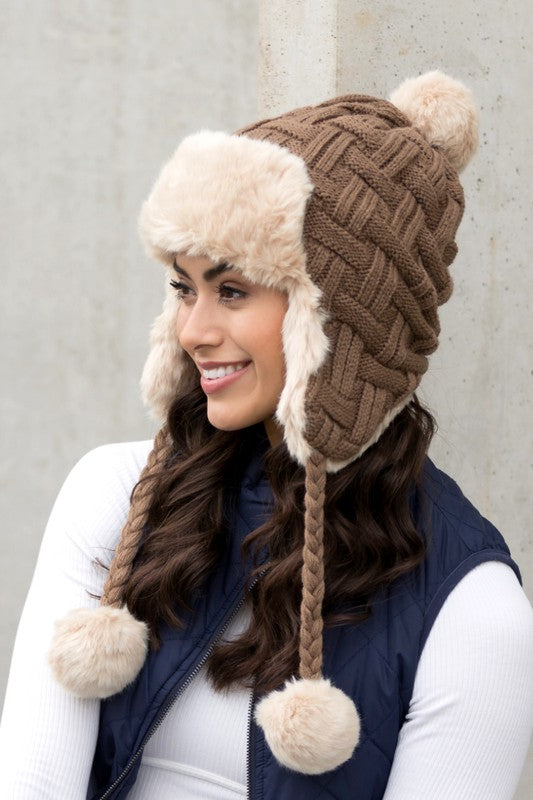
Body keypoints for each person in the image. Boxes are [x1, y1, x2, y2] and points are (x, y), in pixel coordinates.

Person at [1, 70, 532, 800]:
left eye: (231, 291)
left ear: (342, 321)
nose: (192, 331)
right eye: (183, 288)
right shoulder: (113, 497)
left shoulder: (471, 607)